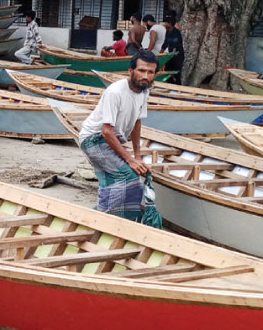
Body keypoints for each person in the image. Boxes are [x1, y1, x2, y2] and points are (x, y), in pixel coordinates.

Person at [77, 49, 162, 226]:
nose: (145, 76)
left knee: (120, 179)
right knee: (127, 176)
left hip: (110, 138)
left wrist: (138, 155)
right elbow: (106, 131)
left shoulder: (144, 91)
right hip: (93, 139)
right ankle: (103, 219)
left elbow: (137, 122)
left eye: (150, 72)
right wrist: (130, 160)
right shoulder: (115, 92)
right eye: (141, 70)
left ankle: (117, 218)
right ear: (131, 71)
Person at [162, 14, 185, 85]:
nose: (164, 24)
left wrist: (172, 54)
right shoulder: (167, 32)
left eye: (165, 22)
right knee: (166, 70)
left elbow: (175, 45)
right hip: (171, 56)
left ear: (169, 23)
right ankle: (171, 83)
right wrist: (161, 52)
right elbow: (165, 43)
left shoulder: (176, 32)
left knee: (177, 73)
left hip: (177, 56)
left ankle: (178, 86)